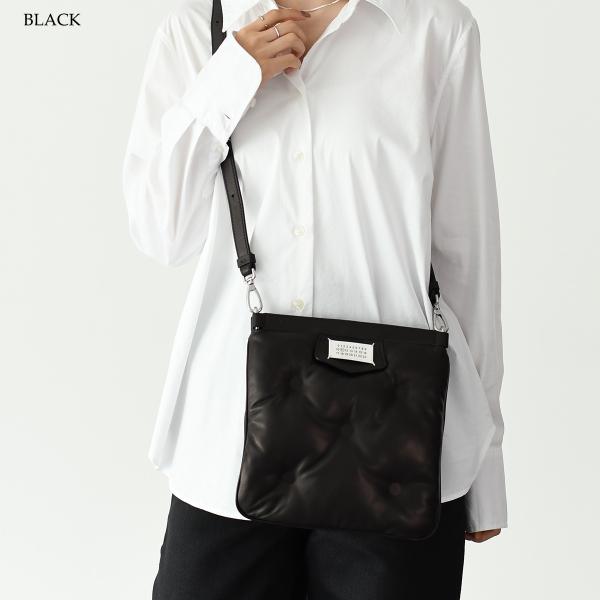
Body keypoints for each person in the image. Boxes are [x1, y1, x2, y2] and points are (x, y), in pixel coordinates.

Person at [122, 0, 508, 598]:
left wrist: (484, 465)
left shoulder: (434, 29)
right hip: (229, 439)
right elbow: (160, 232)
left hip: (399, 445)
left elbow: (465, 254)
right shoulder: (199, 29)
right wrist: (231, 76)